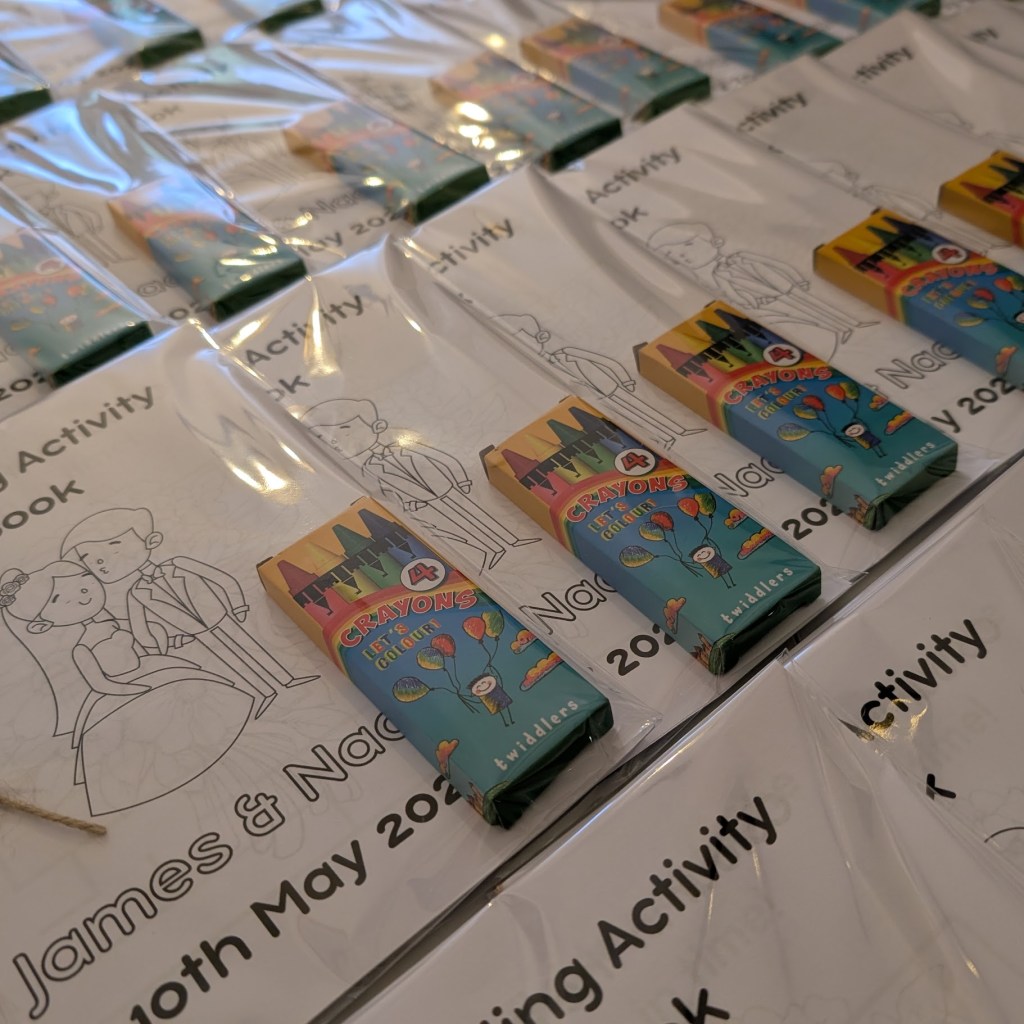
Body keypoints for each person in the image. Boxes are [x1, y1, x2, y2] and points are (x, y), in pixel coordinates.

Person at [1, 562, 252, 815]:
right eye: (57, 598)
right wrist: (129, 689)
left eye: (84, 578)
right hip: (122, 692)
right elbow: (99, 682)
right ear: (41, 625)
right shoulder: (82, 648)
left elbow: (149, 639)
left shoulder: (116, 623)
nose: (82, 592)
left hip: (153, 670)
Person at [61, 507, 317, 719]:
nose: (101, 562)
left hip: (219, 615)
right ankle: (263, 693)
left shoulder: (179, 564)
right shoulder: (136, 593)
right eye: (90, 559)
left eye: (114, 545)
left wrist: (237, 604)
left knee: (250, 647)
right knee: (231, 660)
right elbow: (140, 628)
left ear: (151, 541)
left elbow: (218, 578)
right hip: (195, 631)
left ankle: (286, 679)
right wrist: (161, 647)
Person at [302, 398, 539, 570]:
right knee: (459, 524)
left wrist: (462, 479)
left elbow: (440, 459)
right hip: (424, 500)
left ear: (377, 427)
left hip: (445, 486)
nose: (340, 440)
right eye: (331, 438)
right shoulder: (369, 469)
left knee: (477, 514)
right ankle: (490, 549)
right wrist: (408, 503)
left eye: (345, 429)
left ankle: (511, 540)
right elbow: (389, 490)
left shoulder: (403, 447)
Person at [648, 221, 874, 357]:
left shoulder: (742, 256)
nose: (683, 255)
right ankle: (839, 330)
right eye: (673, 255)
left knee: (815, 304)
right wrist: (749, 303)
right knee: (806, 315)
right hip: (767, 299)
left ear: (715, 242)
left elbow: (775, 266)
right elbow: (732, 292)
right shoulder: (717, 276)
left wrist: (796, 278)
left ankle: (852, 323)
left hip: (783, 286)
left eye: (688, 245)